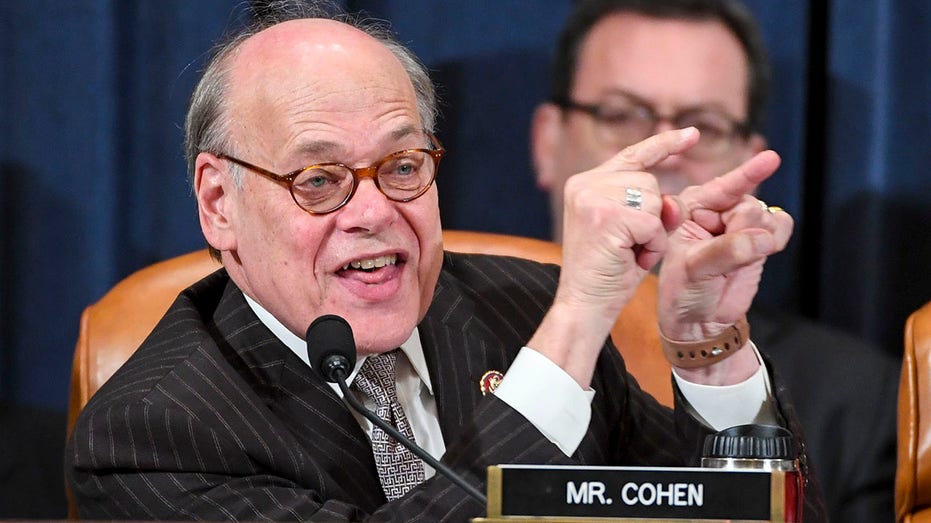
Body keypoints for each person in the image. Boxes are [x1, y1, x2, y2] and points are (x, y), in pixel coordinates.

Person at [66, 0, 826, 520]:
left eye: (402, 167)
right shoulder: (148, 434)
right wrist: (570, 335)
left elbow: (726, 511)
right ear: (218, 203)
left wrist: (708, 350)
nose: (373, 212)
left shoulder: (522, 310)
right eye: (319, 180)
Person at [530, 1, 898, 522]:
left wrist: (711, 350)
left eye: (702, 127)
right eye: (621, 115)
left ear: (751, 161)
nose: (663, 154)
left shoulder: (856, 397)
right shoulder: (441, 343)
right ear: (547, 141)